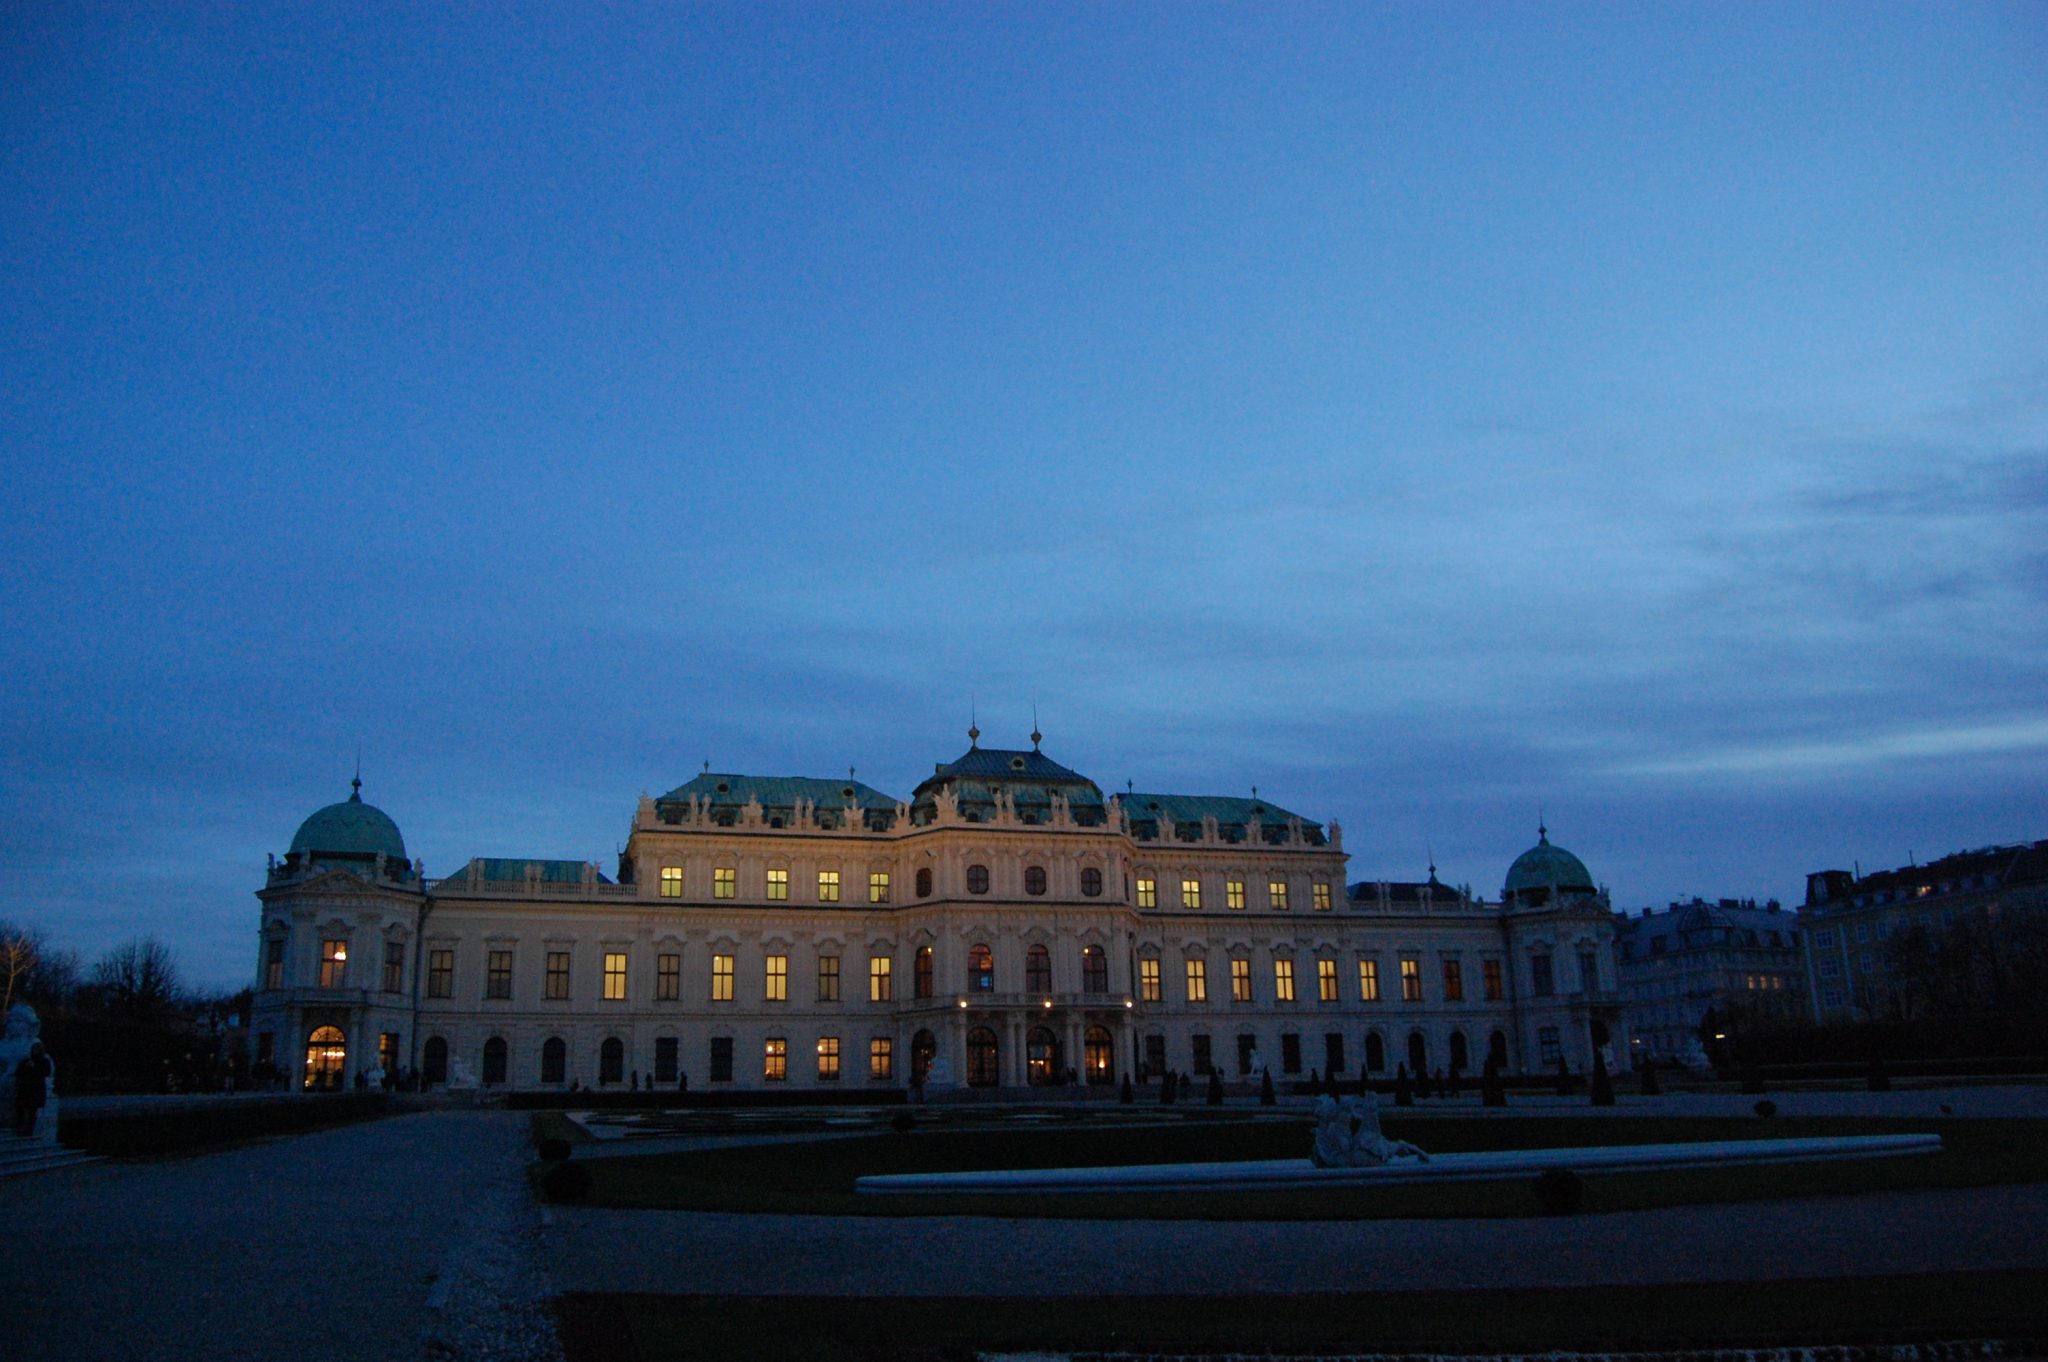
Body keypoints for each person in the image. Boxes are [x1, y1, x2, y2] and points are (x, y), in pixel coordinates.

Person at [13, 1042, 51, 1137]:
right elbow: (18, 1072)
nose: (35, 1051)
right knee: (20, 1107)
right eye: (34, 1049)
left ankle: (29, 1130)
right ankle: (20, 1127)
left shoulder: (44, 1061)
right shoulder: (26, 1060)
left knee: (32, 1110)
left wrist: (35, 1068)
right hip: (25, 1088)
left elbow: (46, 1072)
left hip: (36, 1089)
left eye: (37, 1049)